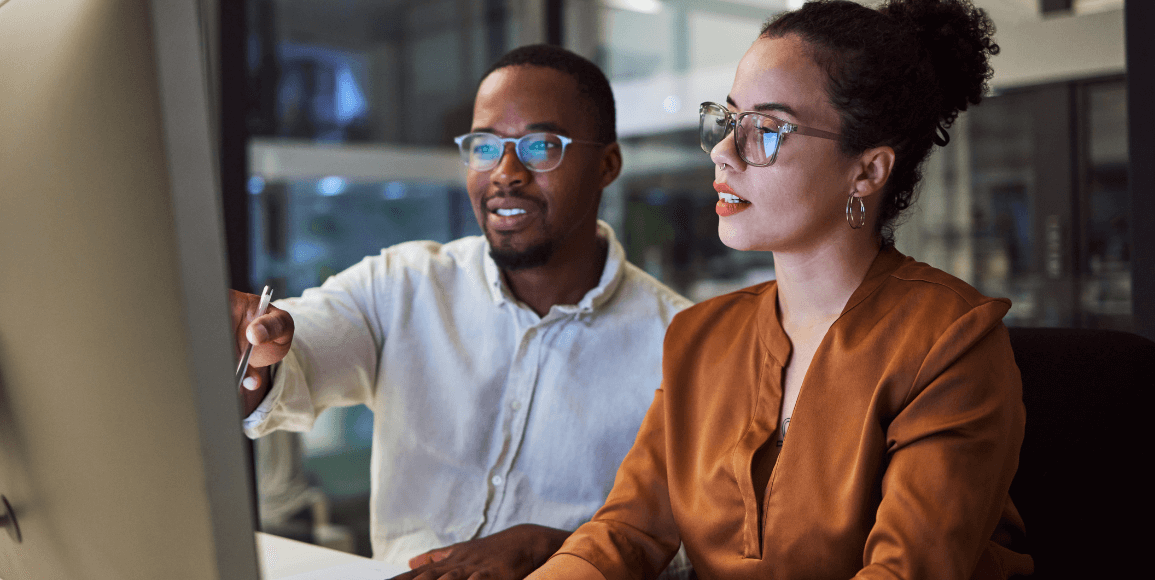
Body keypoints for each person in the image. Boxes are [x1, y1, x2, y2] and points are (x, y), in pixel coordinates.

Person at [528, 1, 1035, 578]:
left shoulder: (950, 340)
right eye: (728, 119)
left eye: (765, 130)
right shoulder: (700, 336)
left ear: (867, 171)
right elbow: (623, 533)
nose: (723, 150)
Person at [232, 45, 693, 579]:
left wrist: (561, 549)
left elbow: (698, 549)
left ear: (607, 165)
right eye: (484, 145)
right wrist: (257, 347)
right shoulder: (402, 284)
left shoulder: (680, 344)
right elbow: (301, 355)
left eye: (541, 146)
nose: (505, 172)